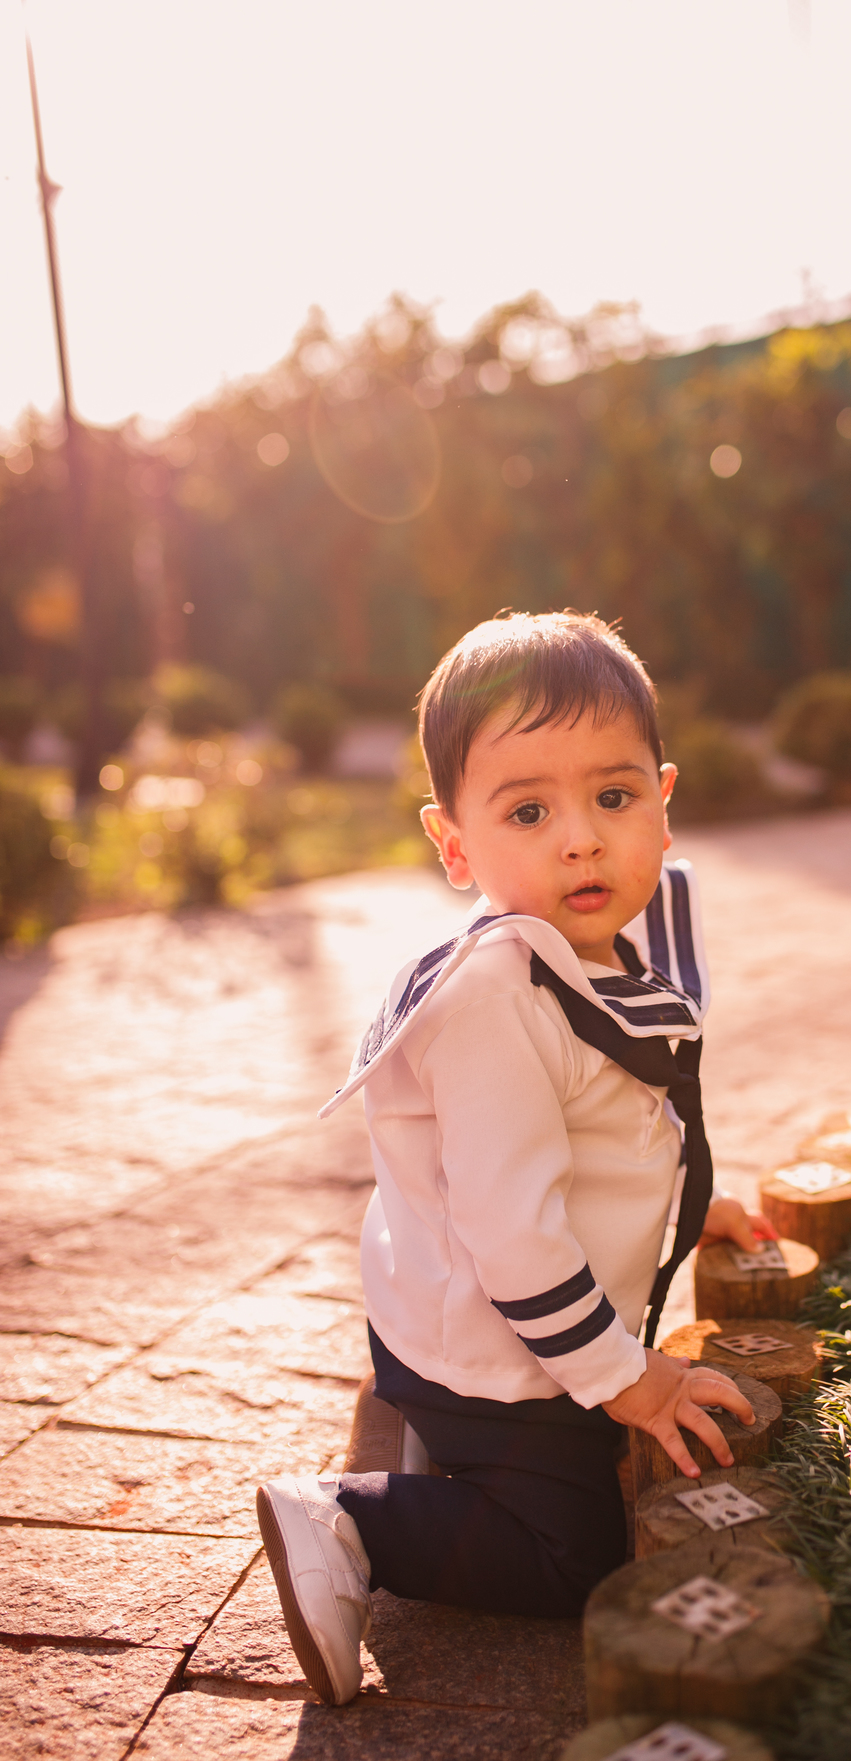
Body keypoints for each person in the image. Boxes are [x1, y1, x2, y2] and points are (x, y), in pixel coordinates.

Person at [255, 611, 777, 1705]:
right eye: (529, 810)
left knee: (574, 1462)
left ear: (664, 805)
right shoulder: (495, 999)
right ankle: (348, 1518)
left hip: (455, 1308)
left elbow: (638, 1119)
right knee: (576, 1547)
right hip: (500, 1341)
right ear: (456, 847)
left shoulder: (611, 944)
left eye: (614, 797)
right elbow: (515, 1241)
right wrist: (628, 1382)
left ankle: (410, 1424)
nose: (581, 838)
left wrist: (699, 1202)